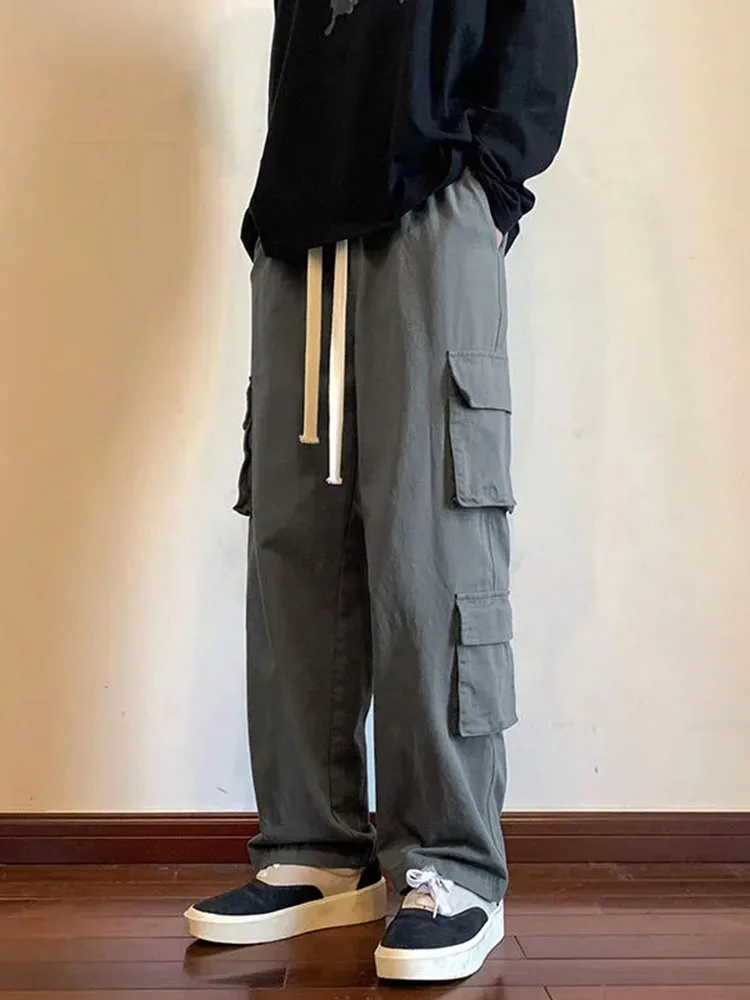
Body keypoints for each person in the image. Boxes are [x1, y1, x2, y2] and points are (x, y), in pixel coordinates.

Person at [185, 0, 577, 982]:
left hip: (432, 206)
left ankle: (451, 864)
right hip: (297, 236)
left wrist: (487, 188)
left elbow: (536, 45)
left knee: (431, 544)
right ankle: (314, 848)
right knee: (294, 544)